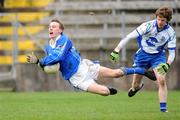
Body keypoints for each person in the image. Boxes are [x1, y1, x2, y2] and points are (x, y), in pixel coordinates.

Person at [27, 19, 155, 96]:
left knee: (116, 74)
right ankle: (107, 89)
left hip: (84, 67)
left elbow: (58, 57)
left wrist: (41, 61)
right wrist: (37, 62)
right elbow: (49, 66)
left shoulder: (65, 40)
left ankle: (142, 71)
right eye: (49, 26)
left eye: (54, 26)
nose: (50, 28)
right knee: (105, 92)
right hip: (76, 79)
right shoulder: (48, 47)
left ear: (60, 31)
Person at [110, 6, 176, 112]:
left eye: (162, 20)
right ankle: (137, 87)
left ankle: (163, 110)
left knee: (162, 80)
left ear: (167, 20)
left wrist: (167, 64)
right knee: (135, 85)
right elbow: (129, 36)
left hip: (158, 57)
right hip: (142, 55)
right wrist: (116, 50)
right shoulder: (147, 26)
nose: (160, 22)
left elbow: (172, 53)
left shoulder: (171, 33)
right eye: (158, 19)